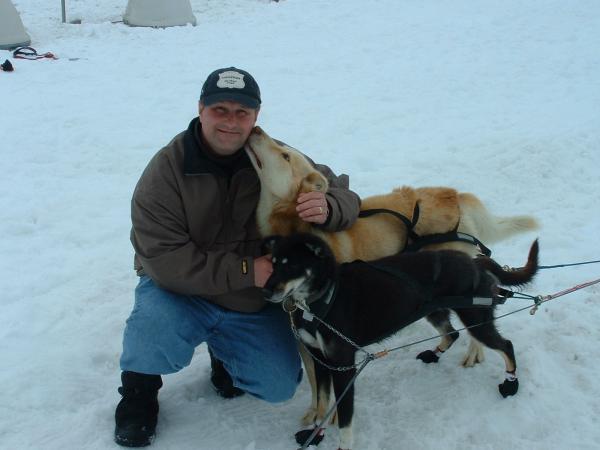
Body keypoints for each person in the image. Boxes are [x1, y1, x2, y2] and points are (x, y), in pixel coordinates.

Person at [114, 67, 361, 447]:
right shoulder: (167, 170)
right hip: (179, 289)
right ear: (201, 109)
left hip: (246, 298)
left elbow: (342, 189)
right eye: (220, 110)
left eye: (242, 113)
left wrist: (330, 207)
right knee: (152, 335)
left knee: (277, 384)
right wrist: (248, 269)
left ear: (256, 116)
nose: (231, 122)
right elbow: (164, 260)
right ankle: (138, 393)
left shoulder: (268, 153)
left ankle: (224, 353)